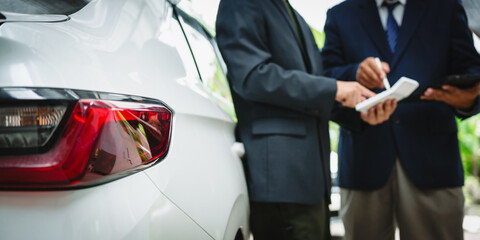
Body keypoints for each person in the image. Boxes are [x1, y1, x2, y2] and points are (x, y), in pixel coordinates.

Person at [215, 0, 396, 239]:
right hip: (281, 178)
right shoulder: (242, 3)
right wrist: (335, 89)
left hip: (313, 182)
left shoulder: (293, 14)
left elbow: (313, 93)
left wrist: (361, 112)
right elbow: (252, 77)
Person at [321, 0, 480, 239]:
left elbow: (472, 72)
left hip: (433, 160)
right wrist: (354, 73)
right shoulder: (340, 14)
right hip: (364, 162)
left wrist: (466, 98)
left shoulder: (445, 8)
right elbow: (324, 78)